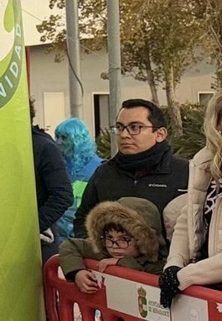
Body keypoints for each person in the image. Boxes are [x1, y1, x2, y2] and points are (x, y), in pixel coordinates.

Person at [73, 98, 189, 239]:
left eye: (135, 128)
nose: (124, 135)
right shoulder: (104, 173)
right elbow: (83, 219)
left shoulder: (186, 173)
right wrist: (100, 251)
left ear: (160, 134)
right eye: (120, 128)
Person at [164, 94, 222, 296]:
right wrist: (173, 265)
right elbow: (189, 217)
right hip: (206, 288)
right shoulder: (205, 163)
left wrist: (186, 276)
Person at [53, 117, 103, 243]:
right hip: (58, 234)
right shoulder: (54, 165)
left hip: (83, 234)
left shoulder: (99, 168)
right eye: (57, 136)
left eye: (64, 137)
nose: (58, 142)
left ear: (77, 140)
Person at [32, 111, 75, 256]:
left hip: (38, 247)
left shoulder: (42, 147)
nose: (61, 141)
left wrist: (32, 228)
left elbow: (63, 195)